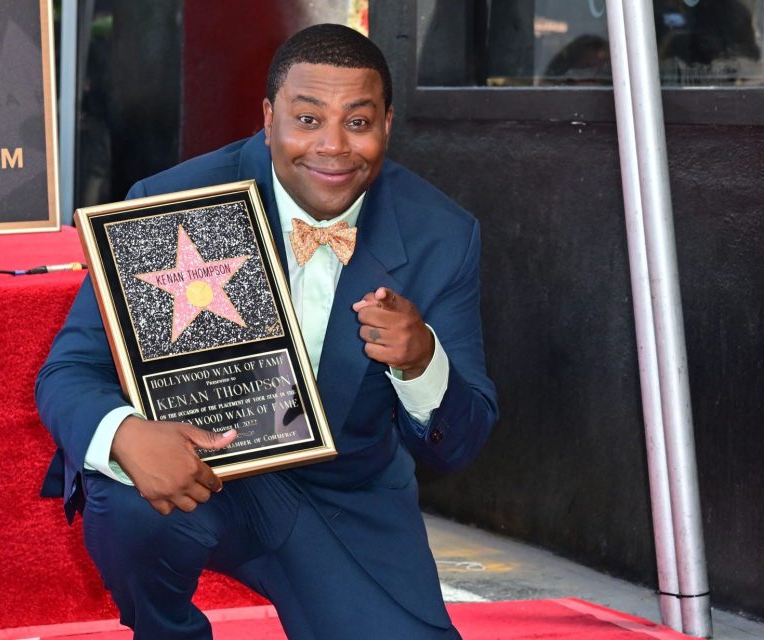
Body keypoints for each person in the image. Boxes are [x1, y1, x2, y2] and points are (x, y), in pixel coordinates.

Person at [36, 23, 498, 639]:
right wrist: (124, 435)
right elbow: (69, 370)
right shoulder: (173, 198)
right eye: (307, 120)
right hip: (208, 479)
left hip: (348, 498)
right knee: (124, 497)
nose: (332, 146)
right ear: (267, 116)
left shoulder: (442, 232)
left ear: (387, 123)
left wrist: (421, 362)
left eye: (357, 122)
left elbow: (460, 441)